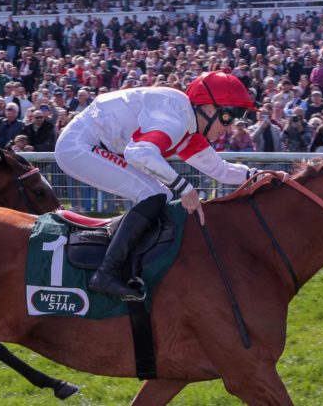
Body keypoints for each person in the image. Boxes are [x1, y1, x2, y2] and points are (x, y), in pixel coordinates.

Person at [54, 71, 257, 301]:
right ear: (209, 108)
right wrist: (185, 189)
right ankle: (106, 273)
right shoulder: (176, 120)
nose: (229, 129)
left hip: (92, 143)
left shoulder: (189, 127)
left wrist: (259, 175)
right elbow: (138, 152)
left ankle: (120, 267)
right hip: (79, 145)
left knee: (157, 192)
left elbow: (220, 170)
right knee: (155, 193)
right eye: (228, 118)